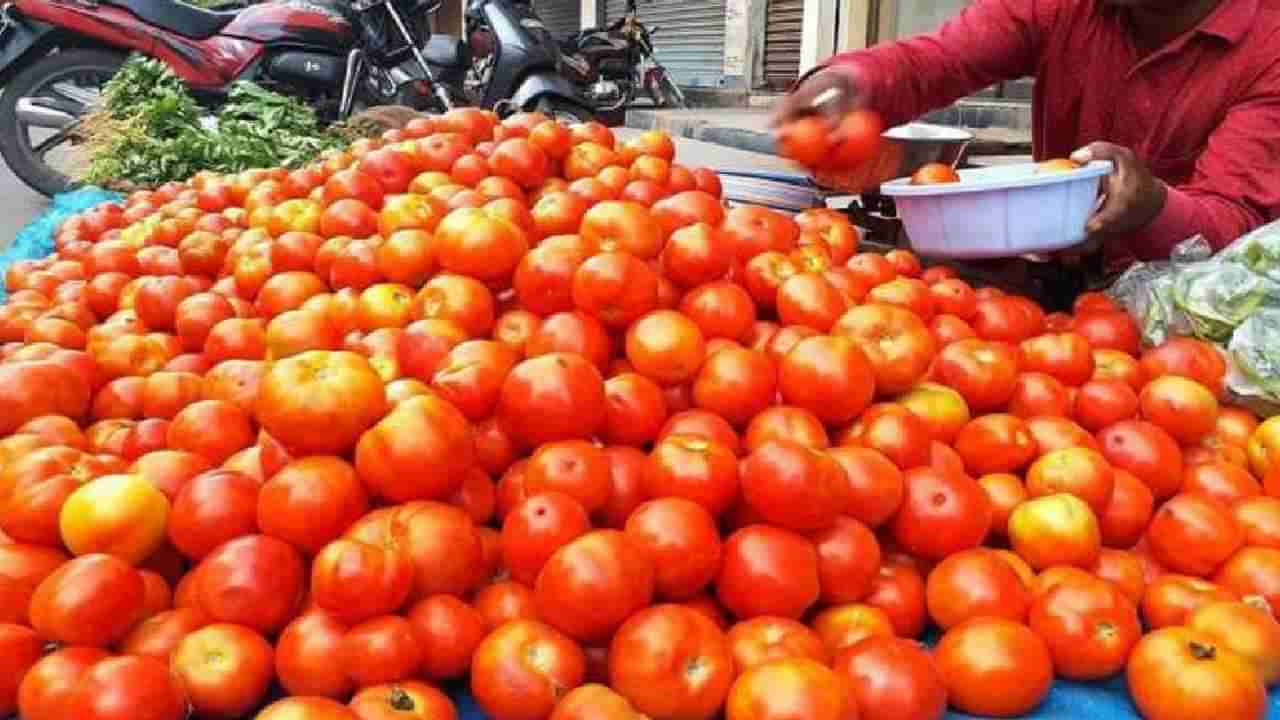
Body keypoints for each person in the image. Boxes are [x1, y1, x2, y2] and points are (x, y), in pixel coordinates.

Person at [774, 0, 1280, 273]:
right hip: (1052, 293)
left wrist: (1152, 206)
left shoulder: (1269, 47)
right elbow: (944, 58)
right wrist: (848, 83)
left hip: (1184, 322)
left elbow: (1235, 223)